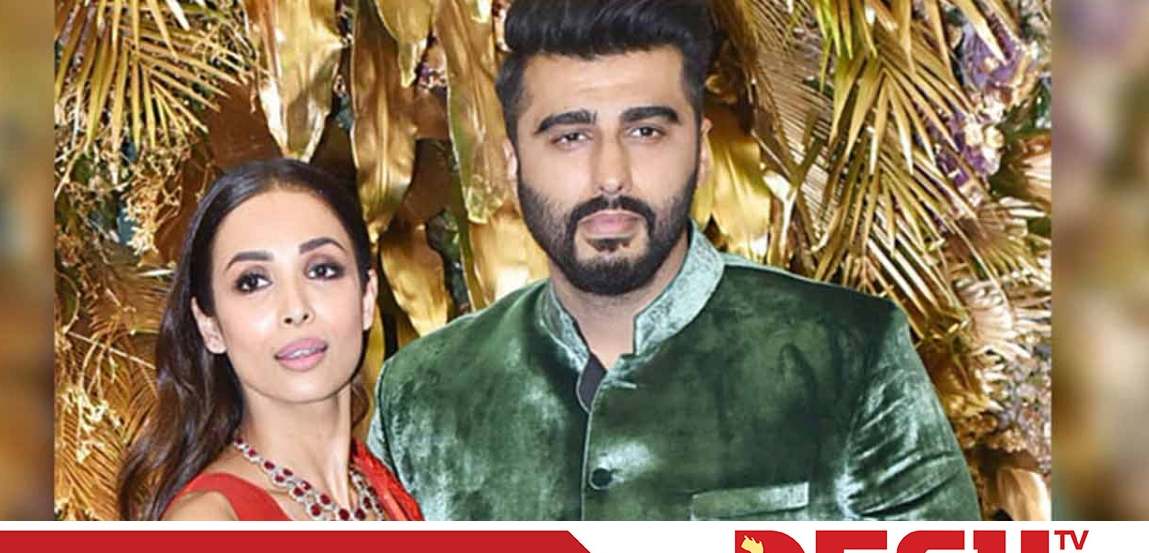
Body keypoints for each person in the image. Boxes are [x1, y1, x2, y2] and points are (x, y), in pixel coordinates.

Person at [367, 0, 980, 520]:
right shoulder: (423, 394)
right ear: (512, 164)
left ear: (702, 154)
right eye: (570, 137)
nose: (611, 174)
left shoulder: (846, 353)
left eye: (646, 132)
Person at [118, 158, 421, 521]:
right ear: (210, 326)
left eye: (321, 270)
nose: (295, 308)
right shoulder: (207, 520)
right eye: (253, 282)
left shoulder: (380, 490)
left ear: (366, 298)